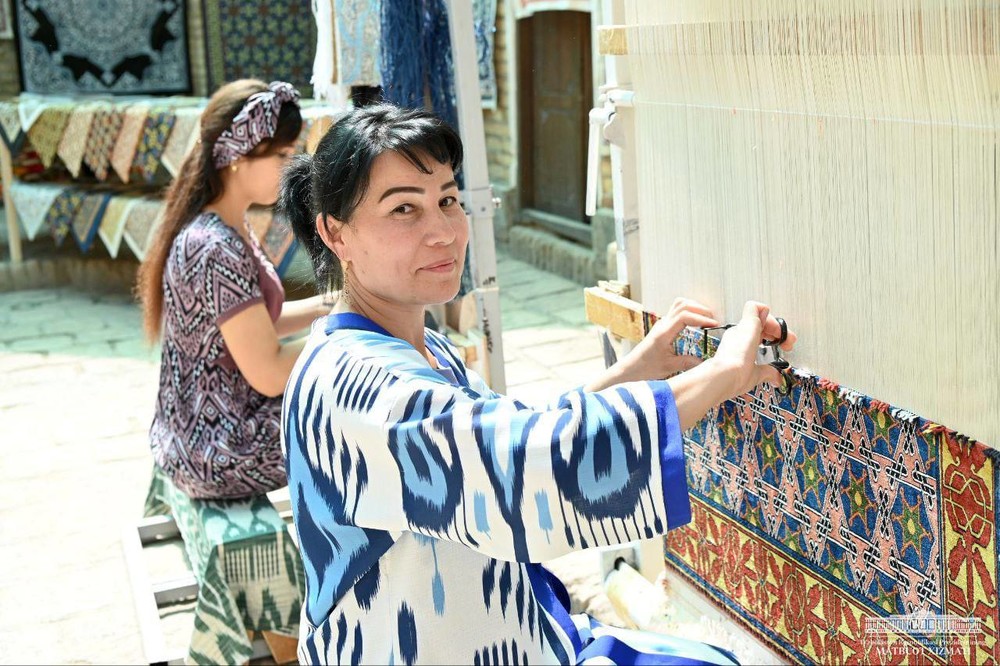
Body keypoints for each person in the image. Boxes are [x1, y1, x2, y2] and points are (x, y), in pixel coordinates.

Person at [277, 104, 797, 665]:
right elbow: (522, 468)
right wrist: (720, 376)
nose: (444, 233)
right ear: (335, 233)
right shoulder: (359, 385)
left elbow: (506, 428)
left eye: (448, 200)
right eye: (404, 209)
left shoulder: (413, 346)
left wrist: (638, 367)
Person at [137, 79, 333, 499]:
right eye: (281, 154)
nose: (290, 165)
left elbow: (255, 326)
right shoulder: (215, 248)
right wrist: (348, 329)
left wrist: (329, 306)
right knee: (358, 409)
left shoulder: (221, 227)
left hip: (197, 440)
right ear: (239, 155)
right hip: (221, 450)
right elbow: (269, 372)